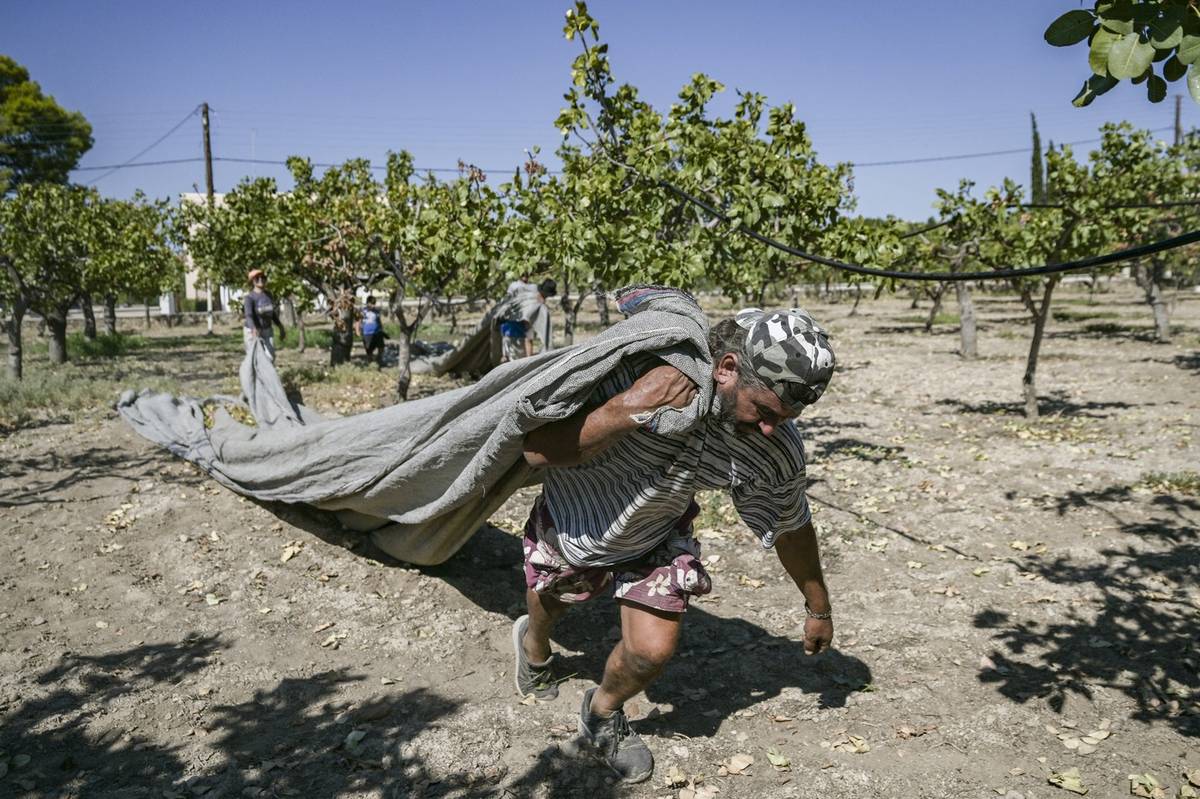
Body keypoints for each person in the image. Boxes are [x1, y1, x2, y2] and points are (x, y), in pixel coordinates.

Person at [511, 307, 836, 784]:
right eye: (765, 411)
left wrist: (818, 606)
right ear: (727, 368)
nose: (771, 427)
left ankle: (602, 713)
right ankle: (534, 648)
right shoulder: (643, 371)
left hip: (658, 530)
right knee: (552, 603)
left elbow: (791, 526)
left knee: (651, 650)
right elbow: (538, 449)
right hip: (576, 519)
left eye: (784, 418)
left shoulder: (771, 446)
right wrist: (630, 406)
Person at [500, 278, 557, 362]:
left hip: (506, 329)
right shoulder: (536, 305)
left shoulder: (528, 291)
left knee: (507, 360)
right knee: (517, 364)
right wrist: (529, 359)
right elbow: (528, 336)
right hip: (515, 335)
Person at [243, 269, 285, 361]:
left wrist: (280, 326)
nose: (260, 280)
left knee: (270, 357)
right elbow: (249, 315)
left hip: (267, 330)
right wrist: (253, 329)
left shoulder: (268, 295)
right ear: (252, 281)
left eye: (263, 277)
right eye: (257, 278)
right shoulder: (249, 298)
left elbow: (272, 313)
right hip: (253, 331)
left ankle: (266, 371)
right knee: (254, 358)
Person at [356, 295, 386, 367]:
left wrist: (381, 329)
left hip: (377, 332)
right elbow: (358, 321)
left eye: (374, 304)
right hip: (367, 333)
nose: (373, 305)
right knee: (369, 350)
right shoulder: (363, 311)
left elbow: (378, 321)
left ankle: (379, 360)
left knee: (381, 347)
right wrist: (357, 330)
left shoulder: (376, 311)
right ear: (368, 303)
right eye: (371, 304)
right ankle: (370, 364)